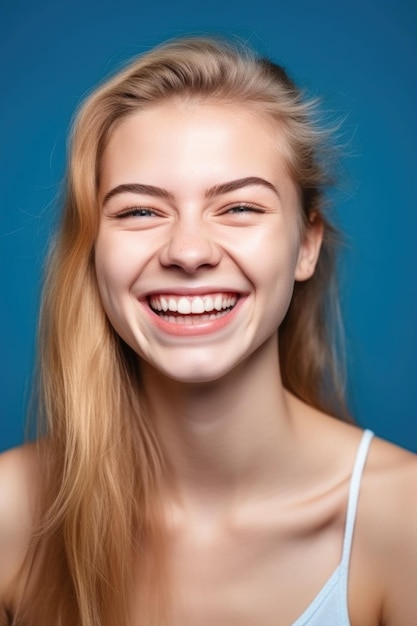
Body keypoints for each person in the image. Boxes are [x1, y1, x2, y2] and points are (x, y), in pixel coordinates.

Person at [0, 36, 416, 626]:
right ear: (92, 252)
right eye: (140, 211)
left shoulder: (405, 519)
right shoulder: (10, 514)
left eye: (240, 207)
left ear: (306, 244)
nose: (189, 251)